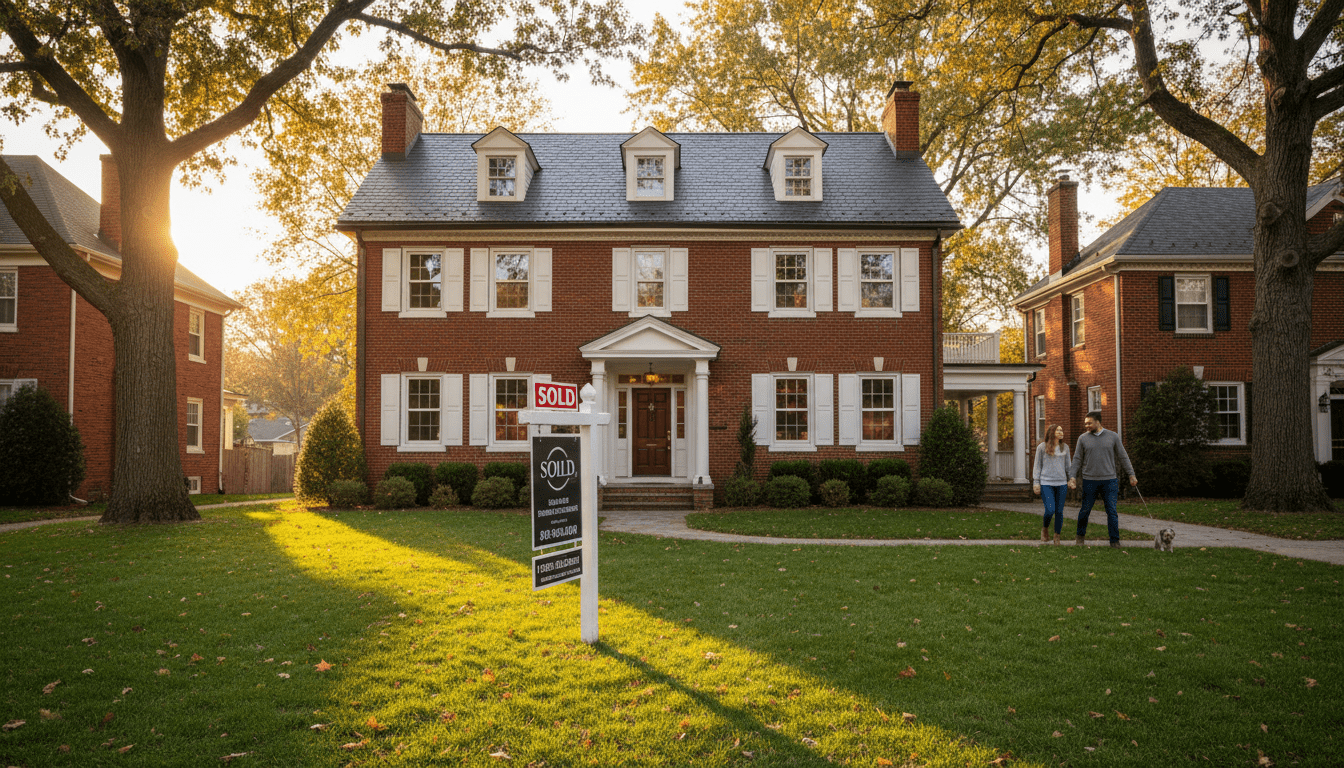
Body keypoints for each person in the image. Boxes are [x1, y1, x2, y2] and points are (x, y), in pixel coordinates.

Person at [1068, 410, 1138, 547]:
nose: (1086, 426)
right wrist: (1072, 477)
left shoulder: (1113, 437)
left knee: (1112, 511)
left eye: (1089, 423)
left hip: (1109, 480)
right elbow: (1076, 459)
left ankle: (1114, 541)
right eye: (1085, 423)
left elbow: (1123, 456)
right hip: (1089, 481)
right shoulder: (1082, 438)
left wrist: (1131, 474)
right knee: (1085, 510)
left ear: (1098, 422)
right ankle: (1080, 538)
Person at [1033, 424, 1072, 545]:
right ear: (1052, 432)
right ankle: (1045, 529)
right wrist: (1036, 482)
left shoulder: (1064, 447)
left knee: (1059, 511)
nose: (1061, 432)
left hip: (1061, 483)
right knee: (1050, 510)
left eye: (1062, 430)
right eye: (1058, 430)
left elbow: (1068, 466)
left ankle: (1057, 536)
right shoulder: (1041, 447)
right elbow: (1037, 466)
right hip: (1046, 483)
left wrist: (1071, 479)